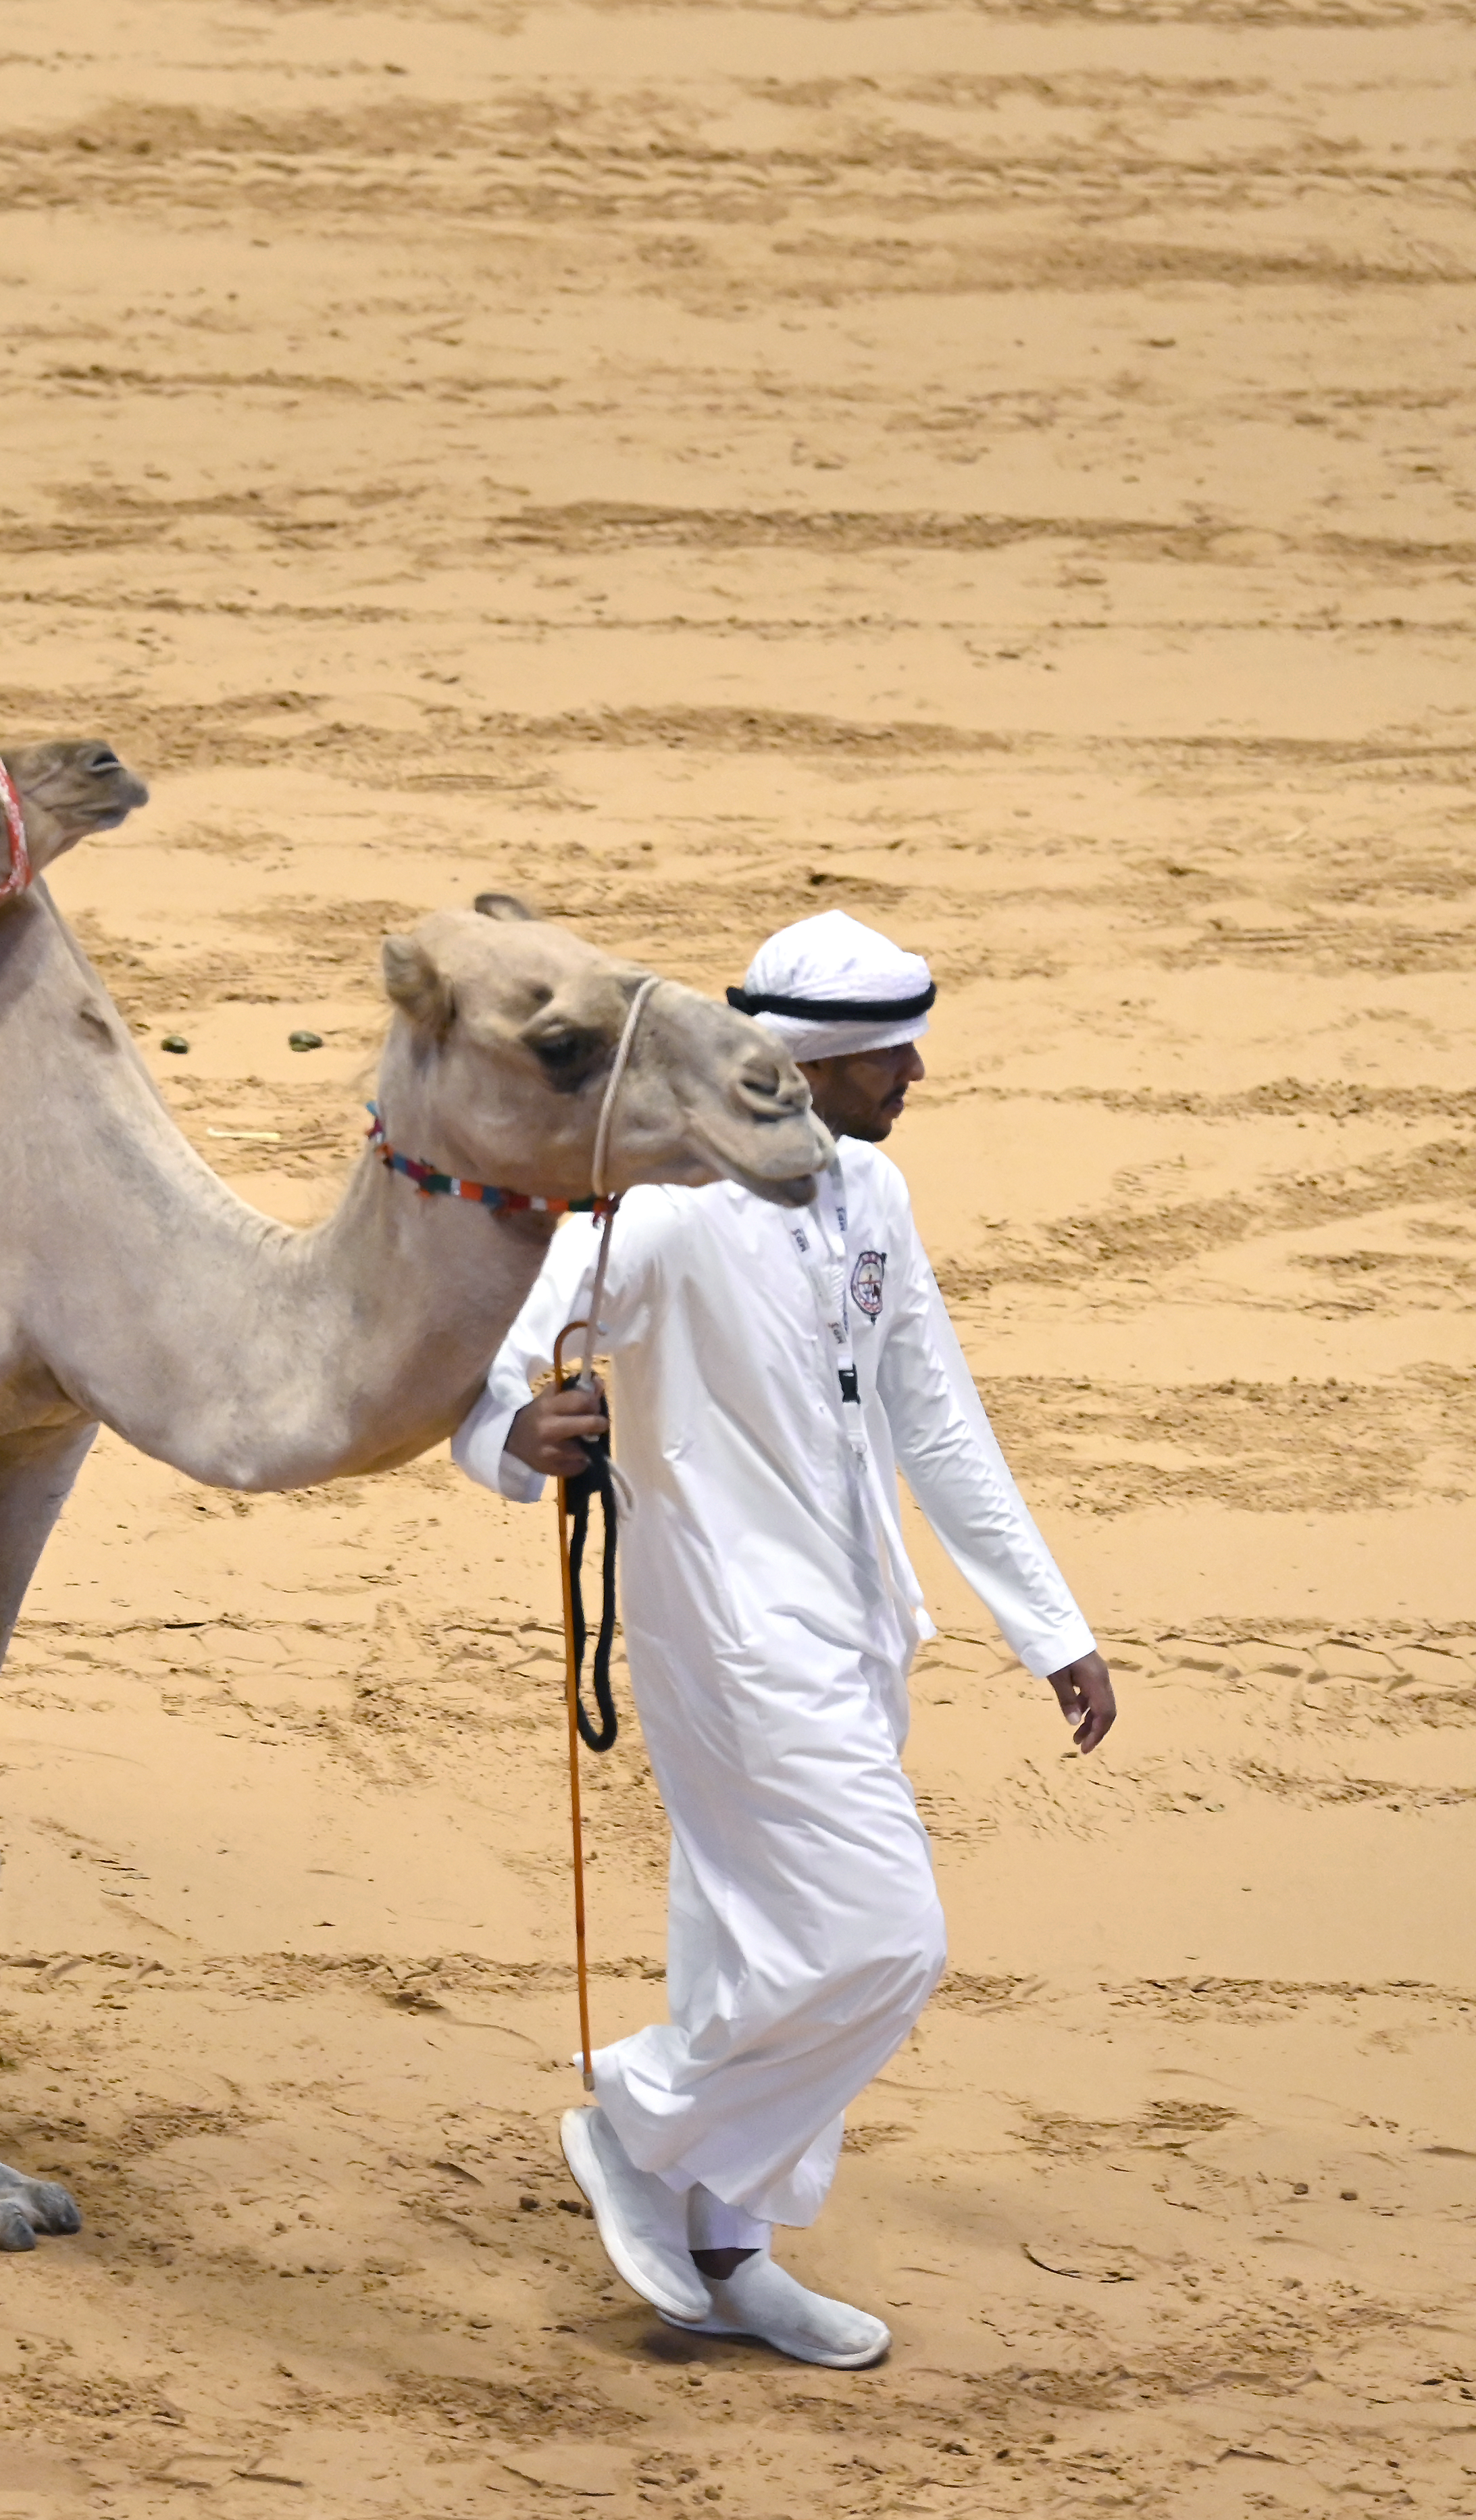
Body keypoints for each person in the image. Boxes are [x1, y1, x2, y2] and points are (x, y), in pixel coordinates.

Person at [450, 909, 1115, 2369]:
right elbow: (507, 1346)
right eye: (890, 1052)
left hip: (859, 1620)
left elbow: (934, 1414)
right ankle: (637, 2121)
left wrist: (1046, 1622)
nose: (916, 1072)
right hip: (729, 1631)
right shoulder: (666, 1204)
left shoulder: (869, 1189)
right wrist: (513, 1434)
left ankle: (727, 2242)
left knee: (750, 1932)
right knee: (884, 1938)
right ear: (809, 1064)